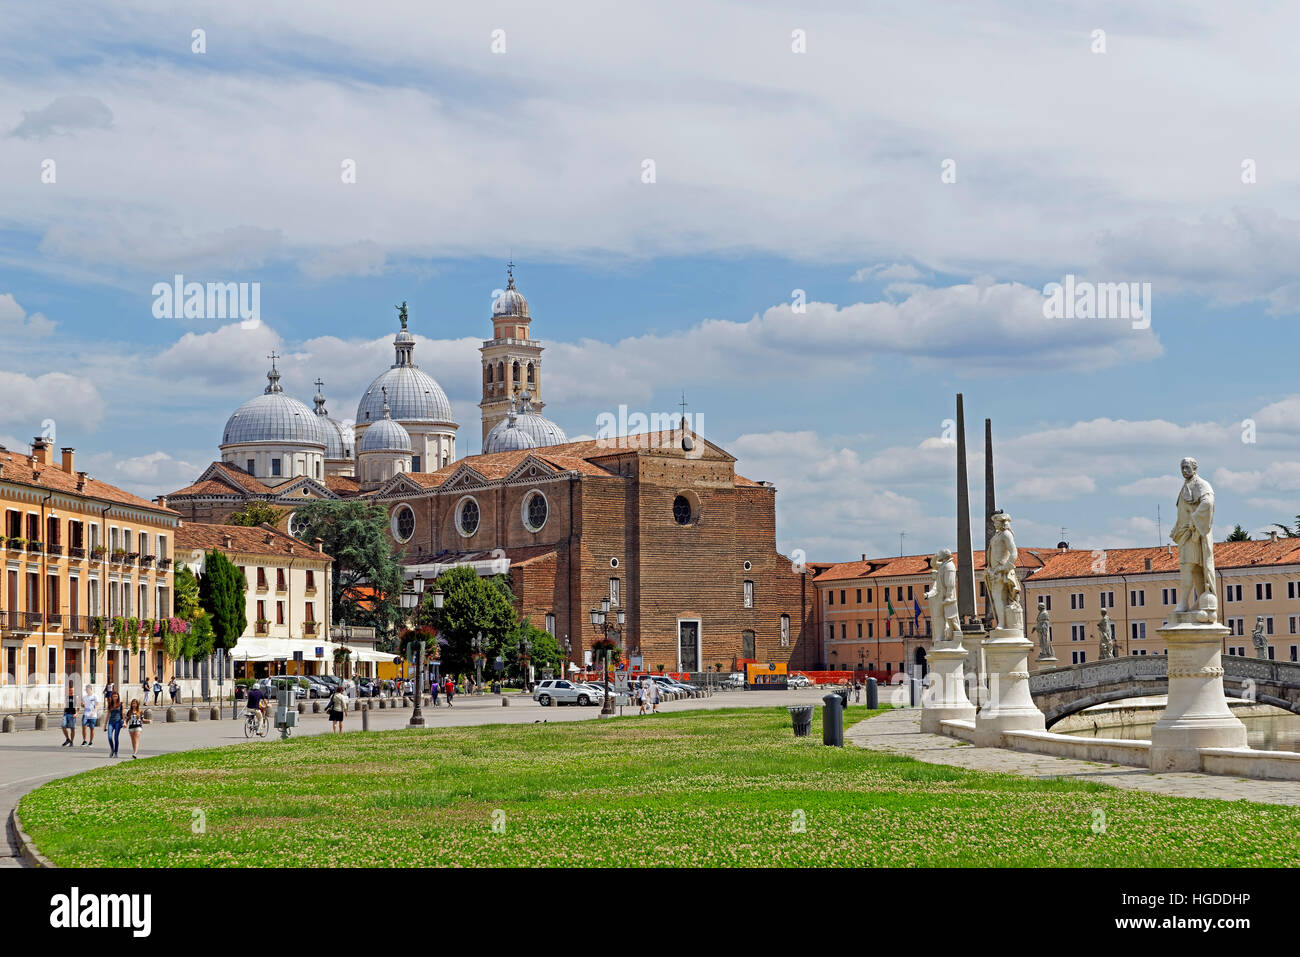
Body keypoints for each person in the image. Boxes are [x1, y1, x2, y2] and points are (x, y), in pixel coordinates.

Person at [106, 693, 124, 758]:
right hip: (111, 722)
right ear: (112, 697)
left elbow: (122, 713)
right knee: (109, 737)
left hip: (118, 722)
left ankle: (116, 752)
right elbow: (108, 714)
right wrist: (105, 724)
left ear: (118, 697)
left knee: (116, 737)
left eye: (116, 696)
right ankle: (112, 749)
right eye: (114, 696)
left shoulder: (120, 704)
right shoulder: (110, 704)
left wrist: (124, 722)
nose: (115, 698)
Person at [60, 682, 77, 747]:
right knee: (63, 725)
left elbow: (78, 708)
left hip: (72, 714)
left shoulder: (75, 697)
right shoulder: (67, 697)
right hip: (66, 714)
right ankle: (67, 739)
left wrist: (76, 714)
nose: (71, 691)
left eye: (72, 690)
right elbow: (65, 706)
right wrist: (63, 713)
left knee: (72, 728)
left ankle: (71, 742)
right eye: (70, 690)